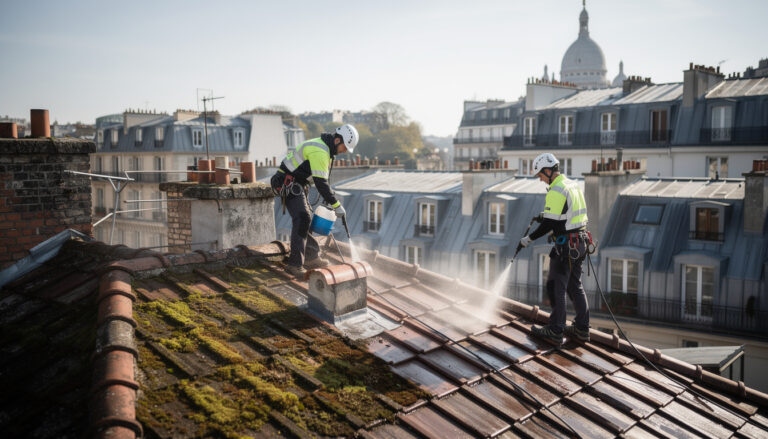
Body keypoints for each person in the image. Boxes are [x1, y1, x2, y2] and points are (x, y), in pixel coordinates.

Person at [518, 152, 591, 344]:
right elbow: (567, 215)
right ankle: (582, 328)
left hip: (566, 246)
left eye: (541, 175)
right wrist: (547, 216)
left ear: (548, 170)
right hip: (580, 242)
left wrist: (528, 239)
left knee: (556, 286)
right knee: (575, 285)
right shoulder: (572, 185)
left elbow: (549, 224)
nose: (540, 179)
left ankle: (556, 329)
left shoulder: (556, 190)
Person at [271, 124, 358, 277]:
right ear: (337, 140)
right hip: (287, 182)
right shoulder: (320, 150)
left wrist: (331, 199)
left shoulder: (324, 147)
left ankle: (310, 257)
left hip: (296, 182)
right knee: (302, 217)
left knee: (306, 218)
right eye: (344, 147)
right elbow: (321, 183)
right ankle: (294, 265)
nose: (344, 151)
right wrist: (336, 205)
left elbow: (320, 180)